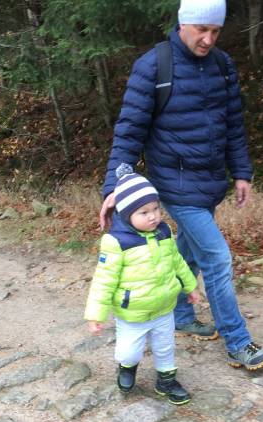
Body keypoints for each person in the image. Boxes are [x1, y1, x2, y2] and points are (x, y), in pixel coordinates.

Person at [100, 0, 263, 371]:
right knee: (216, 257)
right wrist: (114, 185)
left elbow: (233, 124)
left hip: (210, 181)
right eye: (201, 29)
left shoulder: (223, 66)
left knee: (189, 252)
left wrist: (241, 172)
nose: (209, 39)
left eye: (216, 31)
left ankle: (180, 315)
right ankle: (238, 342)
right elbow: (129, 131)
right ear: (183, 22)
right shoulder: (153, 66)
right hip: (174, 183)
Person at [85, 164, 200, 404]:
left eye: (156, 208)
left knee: (165, 347)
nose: (153, 216)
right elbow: (104, 281)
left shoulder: (163, 232)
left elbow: (178, 262)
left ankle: (166, 381)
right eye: (144, 212)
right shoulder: (116, 242)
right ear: (126, 214)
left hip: (164, 308)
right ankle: (127, 367)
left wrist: (190, 286)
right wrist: (96, 314)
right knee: (129, 352)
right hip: (132, 313)